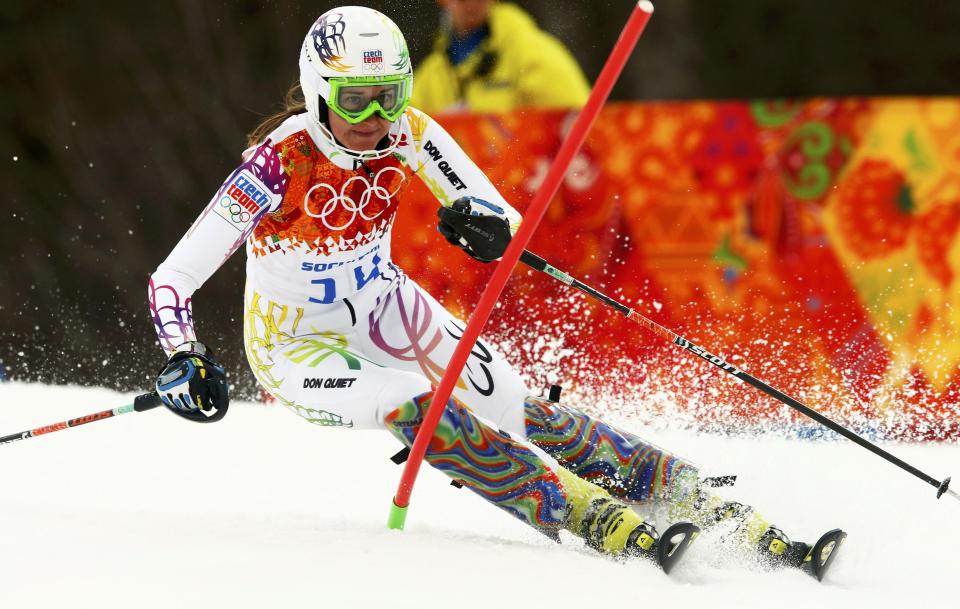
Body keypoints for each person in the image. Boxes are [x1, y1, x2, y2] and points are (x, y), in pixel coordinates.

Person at [149, 5, 827, 574]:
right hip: (299, 349)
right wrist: (184, 354)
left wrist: (481, 225)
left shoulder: (408, 131)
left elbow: (497, 214)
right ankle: (577, 509)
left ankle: (689, 495)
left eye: (391, 92)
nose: (377, 114)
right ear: (319, 89)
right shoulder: (279, 162)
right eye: (356, 98)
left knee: (516, 404)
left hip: (386, 309)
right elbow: (173, 277)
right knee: (414, 402)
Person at [412, 0, 590, 114]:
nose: (472, 4)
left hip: (527, 172)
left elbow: (579, 124)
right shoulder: (430, 76)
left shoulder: (533, 52)